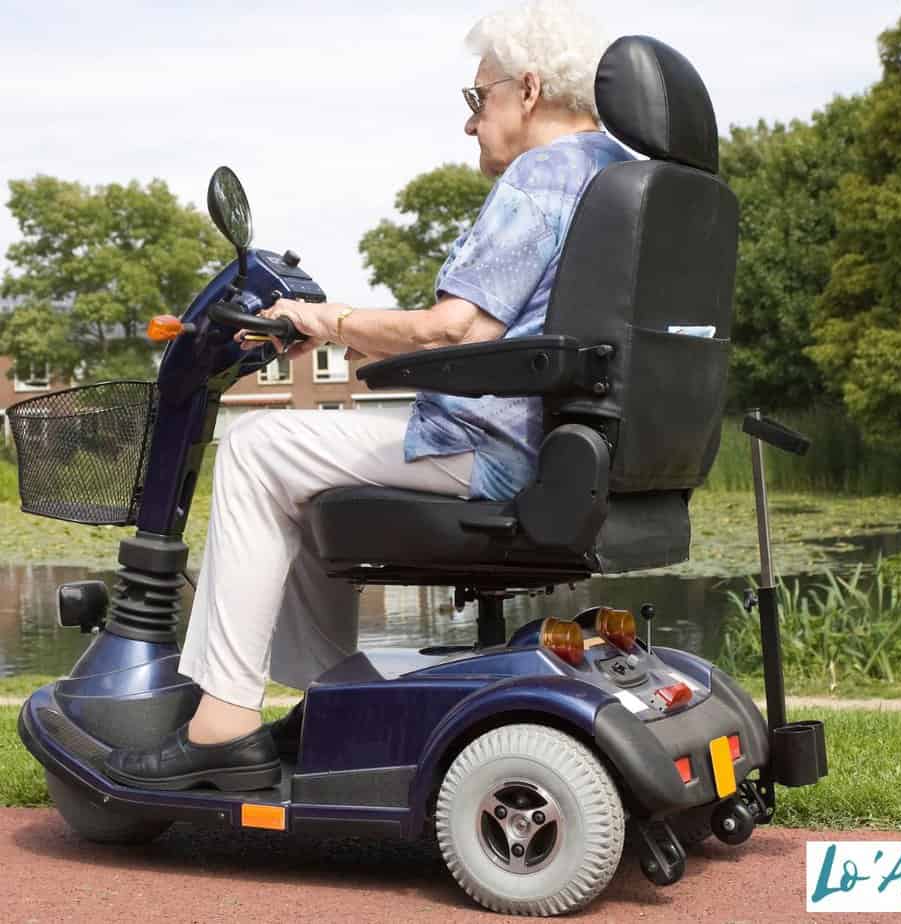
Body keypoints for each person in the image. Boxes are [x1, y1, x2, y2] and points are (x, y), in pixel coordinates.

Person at [104, 0, 631, 792]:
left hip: (493, 451)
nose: (469, 123)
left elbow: (454, 334)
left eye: (474, 98)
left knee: (257, 447)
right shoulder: (618, 170)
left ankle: (222, 727)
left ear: (525, 89)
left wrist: (328, 318)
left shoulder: (544, 173)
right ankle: (331, 706)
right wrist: (349, 333)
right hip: (569, 447)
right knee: (306, 465)